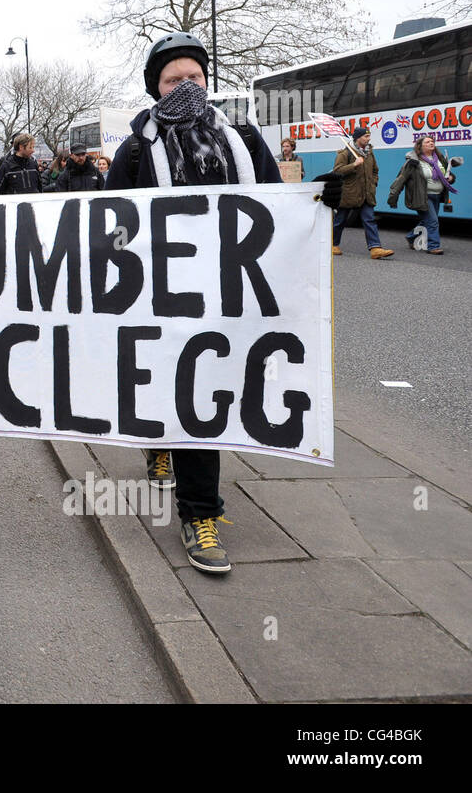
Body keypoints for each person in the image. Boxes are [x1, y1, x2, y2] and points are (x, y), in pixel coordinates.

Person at [105, 31, 342, 575]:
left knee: (205, 395)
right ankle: (179, 479)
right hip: (159, 295)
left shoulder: (243, 137)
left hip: (225, 297)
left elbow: (273, 206)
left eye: (193, 77)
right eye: (172, 80)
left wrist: (316, 199)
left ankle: (189, 492)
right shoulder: (136, 149)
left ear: (207, 80)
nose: (185, 87)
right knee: (174, 388)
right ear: (154, 89)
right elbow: (106, 220)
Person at [388, 134, 458, 254]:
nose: (431, 143)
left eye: (432, 141)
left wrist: (451, 178)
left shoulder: (439, 159)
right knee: (433, 221)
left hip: (437, 195)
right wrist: (393, 197)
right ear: (420, 146)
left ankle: (411, 237)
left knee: (428, 221)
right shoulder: (414, 162)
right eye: (427, 142)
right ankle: (433, 246)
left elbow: (446, 175)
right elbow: (401, 179)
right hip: (422, 196)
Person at [331, 127, 393, 259]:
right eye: (366, 136)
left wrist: (373, 183)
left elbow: (375, 170)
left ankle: (375, 248)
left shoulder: (369, 153)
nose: (368, 139)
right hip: (349, 193)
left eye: (369, 136)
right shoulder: (345, 153)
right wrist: (353, 165)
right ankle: (333, 244)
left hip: (366, 193)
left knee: (369, 220)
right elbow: (337, 171)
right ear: (358, 138)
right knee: (340, 221)